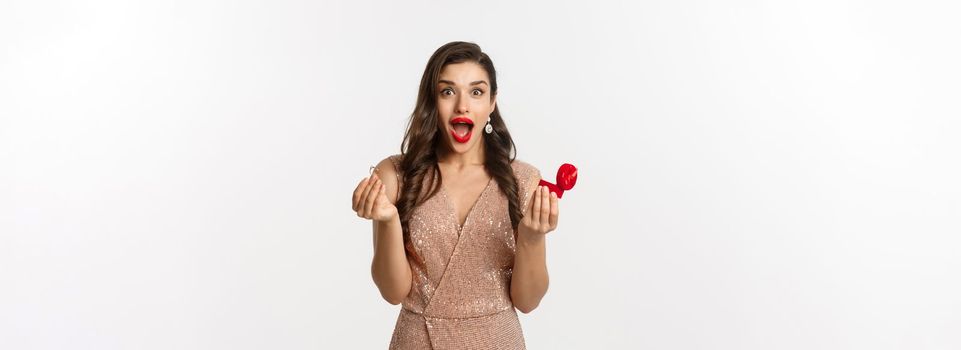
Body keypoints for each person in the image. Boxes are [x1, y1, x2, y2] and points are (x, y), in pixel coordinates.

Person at [351, 41, 560, 349]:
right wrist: (388, 221)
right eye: (448, 91)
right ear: (432, 102)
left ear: (492, 104)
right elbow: (392, 292)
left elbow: (528, 302)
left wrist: (531, 237)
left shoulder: (524, 180)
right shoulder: (396, 175)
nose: (463, 105)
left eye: (476, 92)